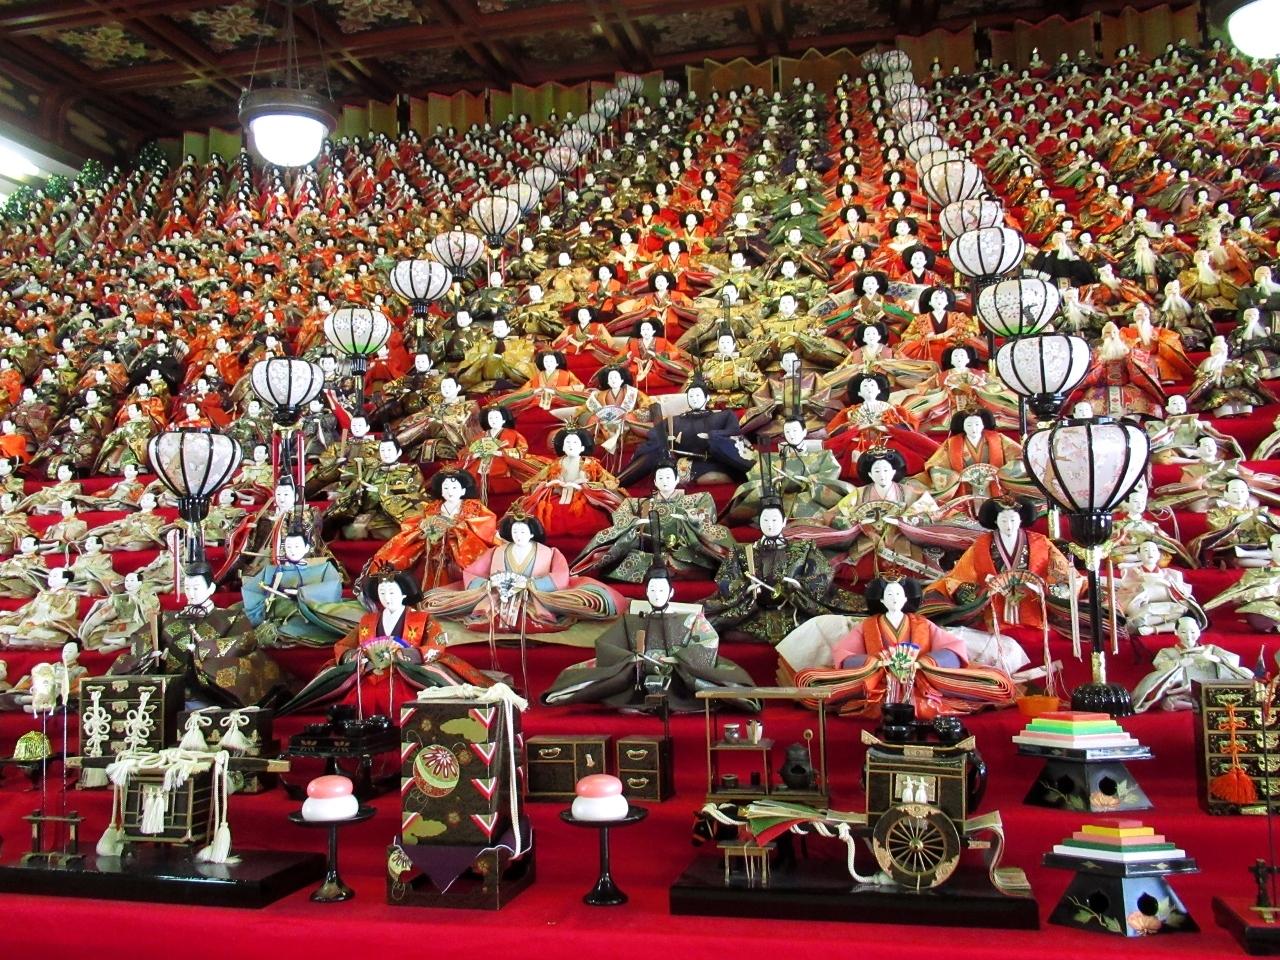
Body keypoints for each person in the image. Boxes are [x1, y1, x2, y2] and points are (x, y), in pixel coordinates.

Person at [777, 576, 1017, 719]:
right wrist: (873, 663)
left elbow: (952, 646)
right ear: (881, 600)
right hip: (878, 681)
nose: (893, 598)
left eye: (898, 594)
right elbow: (844, 652)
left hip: (921, 680)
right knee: (811, 682)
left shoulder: (921, 623)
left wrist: (926, 663)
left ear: (906, 599)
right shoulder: (869, 625)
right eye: (889, 594)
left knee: (993, 683)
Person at [543, 566, 758, 712]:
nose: (657, 594)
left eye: (662, 589)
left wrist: (678, 659)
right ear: (646, 592)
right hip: (637, 676)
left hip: (681, 674)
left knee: (723, 679)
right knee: (589, 674)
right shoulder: (631, 619)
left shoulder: (691, 619)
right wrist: (631, 659)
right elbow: (606, 645)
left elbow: (708, 642)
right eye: (652, 589)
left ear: (671, 592)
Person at [283, 570, 492, 718]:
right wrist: (356, 656)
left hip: (405, 671)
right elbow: (344, 645)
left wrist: (409, 655)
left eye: (392, 592)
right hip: (371, 671)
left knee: (401, 697)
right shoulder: (368, 620)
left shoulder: (421, 619)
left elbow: (436, 644)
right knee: (359, 696)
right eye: (382, 593)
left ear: (404, 594)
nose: (387, 597)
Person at [424, 515, 621, 633]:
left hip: (536, 596)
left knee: (592, 601)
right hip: (497, 595)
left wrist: (531, 585)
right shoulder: (496, 551)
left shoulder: (549, 552)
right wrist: (489, 585)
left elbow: (561, 575)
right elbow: (472, 571)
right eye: (515, 532)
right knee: (433, 600)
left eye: (523, 532)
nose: (518, 535)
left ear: (532, 533)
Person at [704, 498, 861, 645]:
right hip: (754, 611)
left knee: (820, 626)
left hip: (795, 609)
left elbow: (821, 578)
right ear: (759, 522)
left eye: (774, 520)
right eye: (765, 520)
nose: (770, 525)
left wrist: (798, 587)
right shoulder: (741, 551)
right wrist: (746, 589)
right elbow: (727, 580)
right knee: (729, 631)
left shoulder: (804, 548)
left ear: (784, 522)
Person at [574, 458, 735, 583]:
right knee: (611, 539)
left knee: (718, 534)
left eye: (668, 477)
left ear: (677, 479)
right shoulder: (641, 503)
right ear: (655, 482)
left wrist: (689, 518)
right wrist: (634, 522)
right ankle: (578, 568)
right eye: (660, 478)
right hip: (649, 553)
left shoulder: (695, 499)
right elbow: (622, 515)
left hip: (685, 553)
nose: (665, 481)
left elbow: (706, 514)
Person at [368, 468, 498, 591]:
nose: (450, 491)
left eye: (454, 488)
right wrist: (424, 529)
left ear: (463, 490)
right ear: (441, 491)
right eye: (445, 488)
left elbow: (485, 525)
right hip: (434, 549)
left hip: (462, 548)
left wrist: (458, 529)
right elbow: (422, 526)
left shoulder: (474, 507)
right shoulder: (432, 508)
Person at [241, 522, 364, 648]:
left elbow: (332, 588)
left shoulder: (322, 567)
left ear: (306, 548)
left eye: (297, 546)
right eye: (289, 546)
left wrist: (302, 593)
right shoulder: (271, 571)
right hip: (279, 615)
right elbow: (251, 590)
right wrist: (267, 601)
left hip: (310, 616)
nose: (292, 550)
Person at [1130, 616, 1253, 712]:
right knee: (1169, 703)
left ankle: (1204, 702)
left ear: (1199, 632)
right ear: (1176, 632)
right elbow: (1160, 665)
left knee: (1244, 674)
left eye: (1193, 632)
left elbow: (1232, 659)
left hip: (1212, 684)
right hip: (1185, 689)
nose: (1189, 636)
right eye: (1183, 632)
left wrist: (1216, 659)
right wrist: (1178, 663)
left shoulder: (1210, 649)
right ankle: (1201, 704)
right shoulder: (1168, 652)